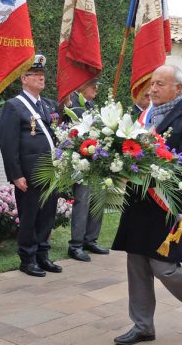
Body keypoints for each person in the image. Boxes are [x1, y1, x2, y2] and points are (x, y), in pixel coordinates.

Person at [112, 65, 182, 344]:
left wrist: (151, 164)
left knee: (163, 266)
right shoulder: (142, 117)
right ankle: (142, 325)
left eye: (159, 84)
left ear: (177, 89)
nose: (152, 89)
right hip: (138, 201)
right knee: (137, 264)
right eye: (152, 84)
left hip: (166, 203)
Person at [0, 54, 62, 277]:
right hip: (29, 173)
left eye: (42, 75)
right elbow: (8, 144)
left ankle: (43, 255)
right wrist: (16, 175)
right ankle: (27, 258)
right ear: (24, 79)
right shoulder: (14, 106)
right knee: (30, 217)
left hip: (51, 172)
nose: (41, 78)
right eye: (36, 75)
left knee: (47, 215)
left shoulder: (48, 105)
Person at [67, 79, 109, 262]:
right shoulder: (72, 103)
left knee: (97, 200)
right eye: (93, 86)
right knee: (82, 202)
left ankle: (91, 239)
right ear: (82, 86)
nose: (96, 89)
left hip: (97, 161)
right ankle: (75, 244)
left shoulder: (92, 105)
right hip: (81, 161)